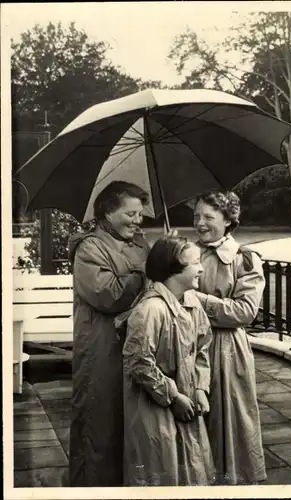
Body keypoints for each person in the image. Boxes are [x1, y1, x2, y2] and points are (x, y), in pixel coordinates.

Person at [68, 181, 151, 486]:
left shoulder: (139, 243)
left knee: (130, 423)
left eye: (140, 214)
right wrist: (144, 271)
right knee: (98, 424)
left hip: (134, 345)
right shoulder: (89, 247)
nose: (137, 220)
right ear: (108, 212)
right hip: (102, 349)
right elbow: (108, 295)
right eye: (131, 214)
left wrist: (166, 254)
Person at [122, 237, 216, 486]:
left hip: (188, 400)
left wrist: (200, 388)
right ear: (173, 269)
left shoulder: (192, 301)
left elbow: (203, 347)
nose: (202, 268)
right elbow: (138, 362)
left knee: (190, 469)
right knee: (161, 470)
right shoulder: (151, 309)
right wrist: (174, 397)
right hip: (155, 408)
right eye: (195, 262)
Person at [193, 190, 267, 485]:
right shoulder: (185, 253)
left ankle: (231, 482)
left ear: (228, 220)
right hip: (190, 346)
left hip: (225, 349)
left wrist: (199, 300)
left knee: (228, 417)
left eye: (208, 217)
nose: (200, 223)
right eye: (197, 216)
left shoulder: (244, 259)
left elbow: (245, 312)